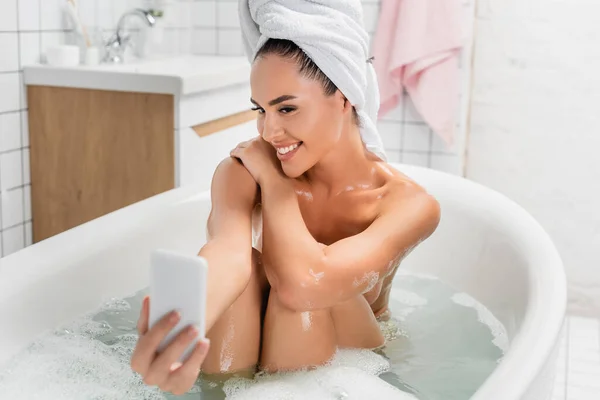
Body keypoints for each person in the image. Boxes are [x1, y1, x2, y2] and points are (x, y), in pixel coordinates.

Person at [130, 6, 440, 398]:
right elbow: (228, 252)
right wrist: (182, 330)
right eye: (260, 110)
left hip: (353, 362)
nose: (268, 130)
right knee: (250, 271)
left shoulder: (407, 203)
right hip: (275, 344)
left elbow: (306, 286)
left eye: (286, 108)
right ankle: (220, 390)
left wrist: (276, 186)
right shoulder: (243, 169)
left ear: (344, 97)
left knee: (298, 291)